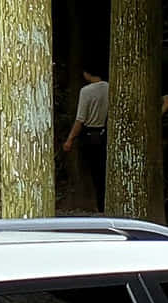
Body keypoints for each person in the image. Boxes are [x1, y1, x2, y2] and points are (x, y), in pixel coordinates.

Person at [63, 68, 110, 211]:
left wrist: (69, 139)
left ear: (87, 73)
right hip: (104, 132)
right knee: (102, 172)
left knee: (94, 173)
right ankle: (103, 205)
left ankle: (100, 206)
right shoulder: (109, 88)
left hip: (90, 134)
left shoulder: (86, 91)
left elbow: (80, 119)